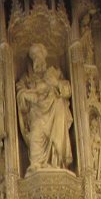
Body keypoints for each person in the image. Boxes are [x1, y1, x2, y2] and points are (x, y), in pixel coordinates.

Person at [15, 44, 73, 172]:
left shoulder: (54, 73)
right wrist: (27, 95)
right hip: (36, 113)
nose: (38, 61)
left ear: (44, 59)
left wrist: (56, 83)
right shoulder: (27, 78)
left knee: (59, 104)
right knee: (36, 132)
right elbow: (20, 92)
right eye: (35, 58)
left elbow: (67, 91)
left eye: (39, 57)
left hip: (54, 112)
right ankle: (37, 163)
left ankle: (57, 161)